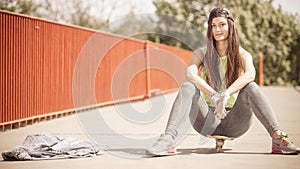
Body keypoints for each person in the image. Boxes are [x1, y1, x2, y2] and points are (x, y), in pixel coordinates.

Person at [146, 7, 300, 156]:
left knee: (251, 87)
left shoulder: (242, 54)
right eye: (213, 26)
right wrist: (214, 95)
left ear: (230, 26)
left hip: (235, 121)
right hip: (206, 120)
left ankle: (278, 138)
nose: (217, 29)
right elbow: (190, 73)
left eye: (222, 25)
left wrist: (226, 94)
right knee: (188, 87)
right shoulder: (202, 52)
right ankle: (168, 139)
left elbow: (250, 74)